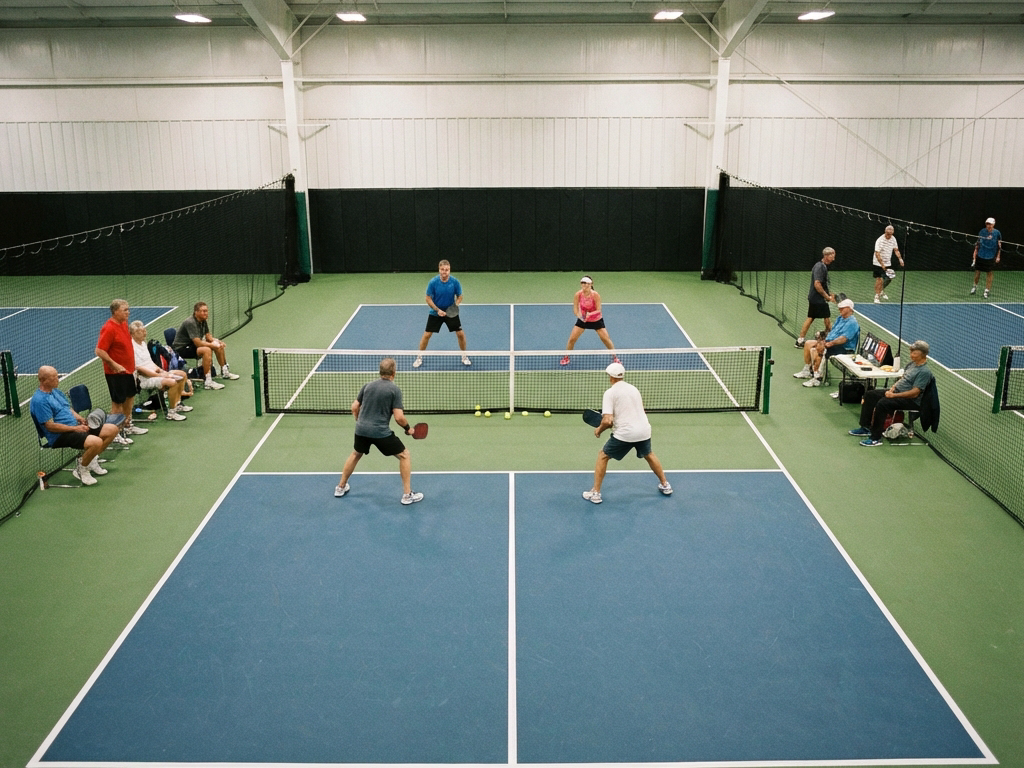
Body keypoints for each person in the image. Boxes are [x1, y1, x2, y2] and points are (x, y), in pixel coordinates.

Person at [335, 357, 424, 505]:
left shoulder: (367, 386)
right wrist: (408, 429)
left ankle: (340, 487)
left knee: (356, 453)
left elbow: (354, 407)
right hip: (380, 432)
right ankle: (407, 495)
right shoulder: (394, 390)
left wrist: (359, 420)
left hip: (361, 429)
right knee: (404, 455)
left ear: (380, 371)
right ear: (394, 373)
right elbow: (399, 417)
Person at [582, 362, 672, 504]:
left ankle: (595, 493)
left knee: (603, 456)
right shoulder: (634, 389)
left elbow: (607, 420)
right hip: (644, 430)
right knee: (649, 454)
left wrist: (599, 430)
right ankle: (665, 485)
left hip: (625, 433)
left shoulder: (610, 393)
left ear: (610, 377)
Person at [30, 365, 119, 486]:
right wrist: (75, 428)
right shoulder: (40, 401)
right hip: (59, 435)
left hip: (74, 427)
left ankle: (90, 460)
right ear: (43, 380)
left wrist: (80, 419)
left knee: (112, 430)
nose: (57, 379)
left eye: (57, 376)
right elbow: (50, 426)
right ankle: (82, 469)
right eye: (54, 377)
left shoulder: (55, 391)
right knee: (96, 442)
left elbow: (68, 408)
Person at [849, 340, 934, 447]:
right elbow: (903, 379)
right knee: (870, 395)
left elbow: (915, 393)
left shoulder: (924, 372)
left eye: (915, 353)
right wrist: (892, 388)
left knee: (883, 403)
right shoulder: (911, 364)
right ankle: (866, 427)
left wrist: (893, 395)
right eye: (911, 352)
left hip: (911, 400)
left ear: (923, 354)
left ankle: (876, 438)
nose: (911, 355)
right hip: (897, 392)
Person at [95, 298, 147, 439]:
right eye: (125, 310)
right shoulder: (109, 328)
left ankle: (126, 426)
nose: (128, 312)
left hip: (128, 370)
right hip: (115, 373)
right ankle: (114, 433)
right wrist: (114, 364)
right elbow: (99, 351)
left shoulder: (123, 323)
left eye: (128, 309)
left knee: (130, 397)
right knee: (117, 404)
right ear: (115, 311)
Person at [129, 321, 192, 421]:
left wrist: (162, 371)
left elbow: (150, 362)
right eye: (142, 331)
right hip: (144, 379)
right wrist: (159, 375)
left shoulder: (143, 343)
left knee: (182, 374)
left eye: (145, 330)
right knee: (172, 382)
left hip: (155, 374)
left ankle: (177, 403)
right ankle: (171, 413)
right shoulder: (131, 347)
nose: (145, 333)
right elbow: (139, 369)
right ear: (133, 333)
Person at [414, 260, 470, 368]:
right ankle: (419, 357)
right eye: (442, 270)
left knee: (460, 334)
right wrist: (437, 310)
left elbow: (460, 296)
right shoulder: (433, 282)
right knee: (427, 335)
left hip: (450, 312)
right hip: (436, 312)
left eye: (447, 270)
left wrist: (454, 306)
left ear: (450, 270)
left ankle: (464, 356)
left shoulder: (455, 282)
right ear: (439, 270)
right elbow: (428, 298)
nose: (445, 272)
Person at [172, 301, 240, 390]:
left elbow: (208, 337)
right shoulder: (190, 322)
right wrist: (212, 345)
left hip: (192, 346)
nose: (206, 313)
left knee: (218, 345)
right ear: (196, 312)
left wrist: (217, 342)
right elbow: (198, 343)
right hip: (181, 349)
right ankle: (208, 382)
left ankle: (225, 372)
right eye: (203, 311)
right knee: (207, 350)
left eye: (206, 311)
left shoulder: (203, 320)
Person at [794, 298, 860, 387]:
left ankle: (818, 378)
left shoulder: (852, 323)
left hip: (843, 348)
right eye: (839, 308)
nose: (839, 309)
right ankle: (807, 371)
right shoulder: (840, 318)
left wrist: (830, 343)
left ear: (849, 309)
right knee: (808, 343)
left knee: (817, 349)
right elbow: (832, 331)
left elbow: (843, 339)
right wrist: (823, 340)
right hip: (832, 343)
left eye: (842, 308)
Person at [560, 275, 618, 366]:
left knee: (605, 339)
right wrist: (580, 317)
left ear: (591, 284)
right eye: (583, 283)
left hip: (596, 320)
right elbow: (575, 310)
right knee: (572, 339)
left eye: (587, 283)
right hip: (583, 320)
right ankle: (566, 357)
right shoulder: (578, 294)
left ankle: (615, 357)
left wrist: (589, 315)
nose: (585, 285)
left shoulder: (595, 295)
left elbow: (598, 310)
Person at [795, 247, 836, 348]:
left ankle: (800, 340)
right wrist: (827, 297)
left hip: (816, 298)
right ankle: (828, 338)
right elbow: (817, 284)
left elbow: (822, 285)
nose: (834, 258)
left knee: (813, 317)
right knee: (826, 318)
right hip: (818, 299)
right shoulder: (820, 267)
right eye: (832, 256)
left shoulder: (822, 266)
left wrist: (829, 294)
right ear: (827, 256)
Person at [971, 217, 1002, 299]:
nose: (988, 225)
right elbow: (978, 243)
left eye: (990, 224)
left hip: (991, 256)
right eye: (987, 224)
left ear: (993, 224)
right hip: (981, 255)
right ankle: (974, 286)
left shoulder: (997, 233)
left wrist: (998, 256)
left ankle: (987, 290)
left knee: (989, 273)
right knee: (977, 272)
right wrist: (975, 253)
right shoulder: (982, 231)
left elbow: (999, 245)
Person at [872, 225, 904, 303]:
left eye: (891, 233)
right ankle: (877, 296)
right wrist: (882, 264)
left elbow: (896, 250)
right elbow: (877, 253)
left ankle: (881, 290)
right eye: (888, 233)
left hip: (887, 262)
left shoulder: (893, 239)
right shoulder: (880, 240)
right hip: (878, 262)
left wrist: (900, 259)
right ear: (885, 232)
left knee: (889, 278)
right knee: (879, 279)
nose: (890, 235)